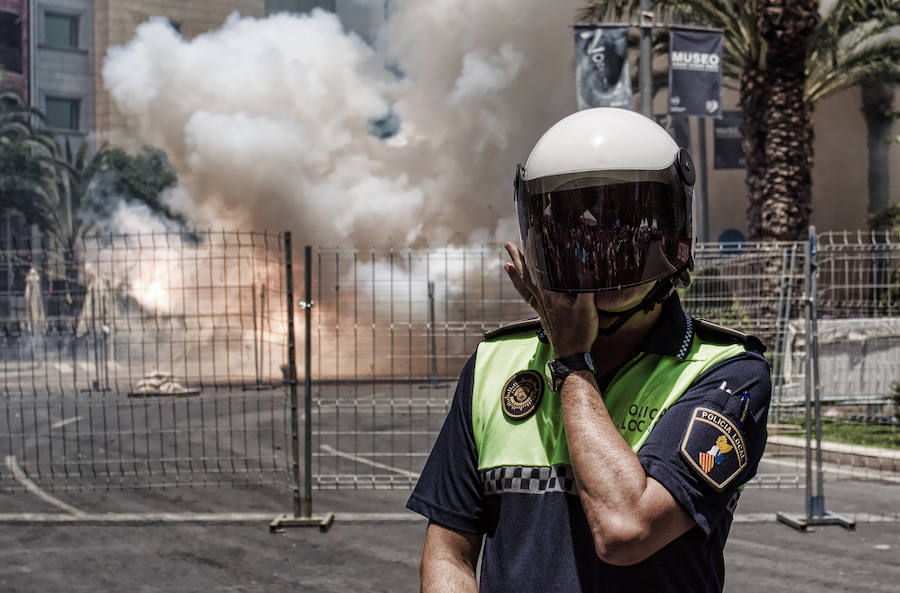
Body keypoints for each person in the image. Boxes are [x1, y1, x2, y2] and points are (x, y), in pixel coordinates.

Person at [406, 107, 771, 592]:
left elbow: (625, 530)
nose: (600, 251)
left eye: (624, 226)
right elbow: (449, 551)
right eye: (575, 230)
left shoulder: (727, 373)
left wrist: (573, 363)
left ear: (675, 235)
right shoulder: (496, 362)